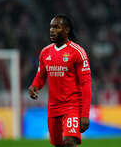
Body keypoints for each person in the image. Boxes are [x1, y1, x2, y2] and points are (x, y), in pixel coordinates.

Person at [28, 14, 92, 147]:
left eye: (57, 27)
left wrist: (85, 114)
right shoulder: (45, 53)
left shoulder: (77, 52)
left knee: (69, 142)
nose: (52, 30)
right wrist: (34, 86)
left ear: (67, 30)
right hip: (53, 108)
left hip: (72, 106)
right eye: (51, 27)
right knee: (58, 145)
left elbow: (86, 84)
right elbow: (41, 75)